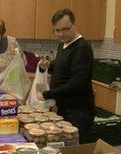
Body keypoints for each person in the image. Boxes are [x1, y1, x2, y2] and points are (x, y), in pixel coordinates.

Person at [38, 8, 95, 142]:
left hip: (79, 112)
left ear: (74, 25)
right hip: (64, 108)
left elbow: (76, 84)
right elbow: (61, 69)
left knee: (75, 150)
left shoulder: (82, 48)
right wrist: (48, 66)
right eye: (57, 30)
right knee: (63, 147)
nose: (61, 34)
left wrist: (47, 94)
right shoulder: (63, 44)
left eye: (65, 29)